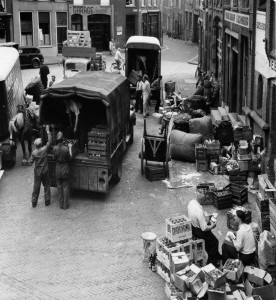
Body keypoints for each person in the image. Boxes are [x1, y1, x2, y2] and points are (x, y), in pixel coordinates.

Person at [187, 198, 222, 267]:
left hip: (193, 228)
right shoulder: (199, 211)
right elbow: (204, 228)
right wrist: (212, 226)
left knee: (210, 241)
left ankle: (216, 256)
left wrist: (206, 218)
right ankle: (211, 263)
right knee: (214, 242)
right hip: (200, 232)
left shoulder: (191, 202)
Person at [29, 125, 52, 207]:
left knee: (36, 187)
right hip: (45, 170)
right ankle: (47, 200)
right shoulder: (44, 149)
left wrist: (30, 161)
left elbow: (30, 162)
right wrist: (48, 131)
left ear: (35, 145)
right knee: (46, 185)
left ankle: (34, 202)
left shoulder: (34, 153)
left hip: (38, 172)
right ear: (41, 144)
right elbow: (49, 142)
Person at [53, 132, 72, 210]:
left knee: (59, 187)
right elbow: (70, 158)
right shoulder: (66, 148)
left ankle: (60, 204)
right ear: (63, 139)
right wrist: (70, 147)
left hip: (58, 169)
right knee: (65, 187)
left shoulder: (54, 148)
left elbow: (54, 158)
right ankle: (65, 205)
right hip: (65, 169)